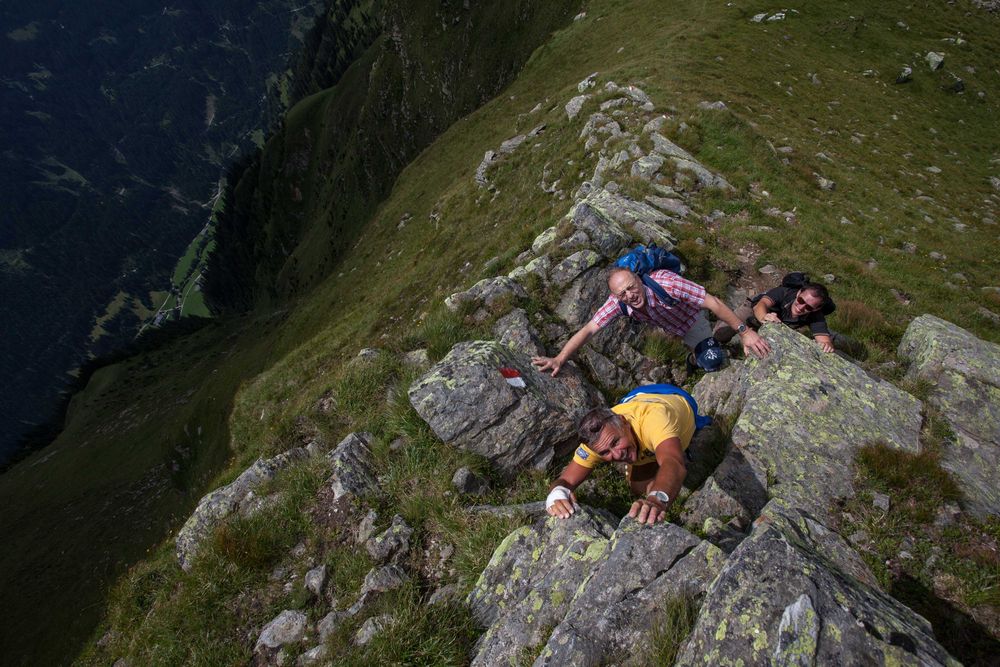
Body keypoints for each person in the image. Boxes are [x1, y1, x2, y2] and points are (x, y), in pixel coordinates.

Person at [532, 267, 771, 376]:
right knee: (701, 352)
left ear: (639, 281)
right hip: (672, 326)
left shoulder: (667, 283)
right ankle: (694, 353)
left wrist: (745, 331)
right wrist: (559, 358)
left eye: (631, 288)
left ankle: (710, 342)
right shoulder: (619, 303)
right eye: (621, 294)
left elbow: (714, 303)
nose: (629, 296)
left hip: (692, 318)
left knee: (712, 361)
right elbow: (589, 329)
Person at [545, 387, 700, 525]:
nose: (617, 454)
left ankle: (666, 445)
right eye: (605, 453)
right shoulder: (596, 441)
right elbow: (565, 480)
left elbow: (674, 462)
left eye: (616, 442)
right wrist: (557, 495)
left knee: (667, 463)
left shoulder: (654, 420)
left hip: (673, 397)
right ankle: (649, 451)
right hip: (632, 401)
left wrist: (656, 500)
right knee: (638, 489)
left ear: (624, 422)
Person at [714, 279, 837, 353]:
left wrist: (827, 345)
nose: (801, 307)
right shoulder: (783, 292)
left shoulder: (816, 315)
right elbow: (760, 305)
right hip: (752, 310)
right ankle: (714, 346)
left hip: (775, 322)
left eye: (809, 307)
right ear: (799, 292)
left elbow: (824, 340)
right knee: (721, 333)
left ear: (817, 308)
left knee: (759, 349)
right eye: (801, 300)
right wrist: (764, 317)